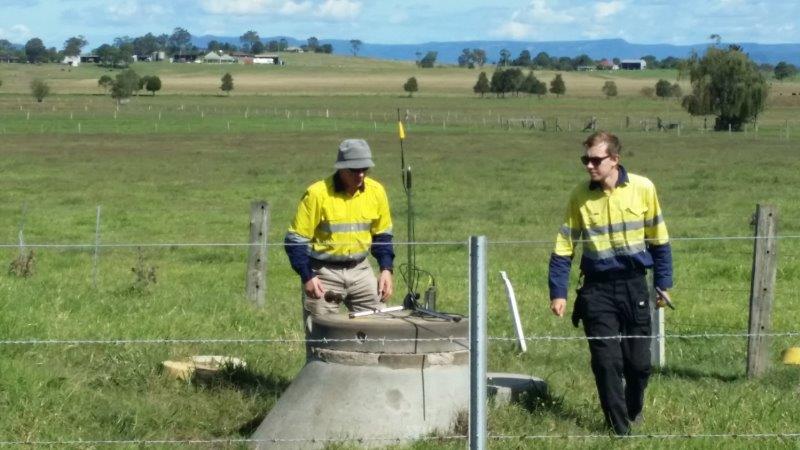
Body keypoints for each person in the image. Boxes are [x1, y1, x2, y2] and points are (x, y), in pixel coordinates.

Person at [547, 131, 673, 435]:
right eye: (585, 160)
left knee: (638, 365)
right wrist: (558, 292)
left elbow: (659, 240)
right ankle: (620, 430)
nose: (589, 166)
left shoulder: (643, 188)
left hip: (634, 285)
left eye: (595, 160)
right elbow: (564, 247)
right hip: (597, 290)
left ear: (615, 159)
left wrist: (663, 283)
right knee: (606, 363)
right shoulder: (579, 195)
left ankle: (632, 409)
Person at [285, 138, 395, 323]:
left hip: (361, 269)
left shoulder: (377, 191)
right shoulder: (317, 194)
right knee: (322, 332)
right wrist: (307, 276)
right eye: (354, 170)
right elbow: (295, 240)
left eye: (365, 169)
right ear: (341, 168)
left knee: (378, 326)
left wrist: (386, 269)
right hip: (323, 272)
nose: (360, 175)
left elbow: (382, 235)